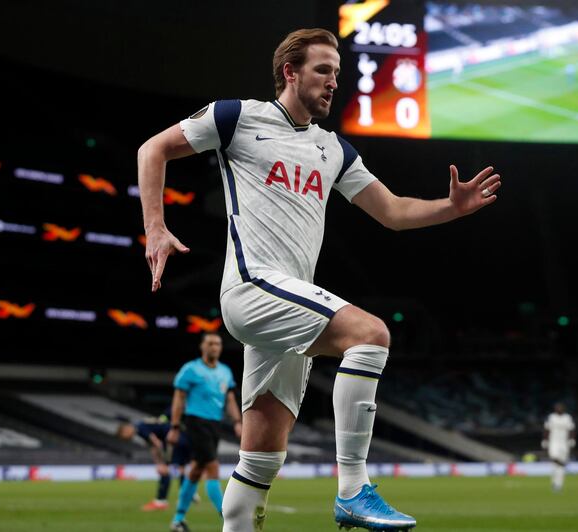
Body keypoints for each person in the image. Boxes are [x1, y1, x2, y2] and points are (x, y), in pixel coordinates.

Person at [137, 28, 501, 531]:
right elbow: (152, 149)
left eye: (337, 72)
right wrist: (154, 228)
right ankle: (353, 489)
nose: (334, 82)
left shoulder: (334, 150)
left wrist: (451, 208)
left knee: (261, 459)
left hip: (287, 308)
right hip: (250, 288)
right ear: (290, 72)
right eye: (323, 70)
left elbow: (393, 211)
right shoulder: (238, 117)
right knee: (370, 334)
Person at [166, 332, 242, 532]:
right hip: (196, 422)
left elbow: (230, 399)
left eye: (217, 344)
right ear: (202, 347)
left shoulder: (225, 371)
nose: (214, 347)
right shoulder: (190, 369)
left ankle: (178, 519)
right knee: (212, 467)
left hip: (215, 424)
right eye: (210, 343)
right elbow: (179, 399)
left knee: (196, 471)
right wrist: (174, 427)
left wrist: (237, 421)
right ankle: (228, 519)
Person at [116, 414, 193, 511]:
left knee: (166, 470)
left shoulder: (140, 429)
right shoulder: (141, 425)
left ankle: (161, 501)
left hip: (173, 439)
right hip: (180, 436)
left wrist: (161, 462)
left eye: (124, 437)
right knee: (179, 468)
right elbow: (153, 445)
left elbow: (156, 444)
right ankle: (187, 495)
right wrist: (158, 462)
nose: (126, 439)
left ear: (125, 430)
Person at [542, 402, 576, 492]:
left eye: (560, 407)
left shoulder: (567, 417)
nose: (559, 409)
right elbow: (546, 429)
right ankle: (564, 465)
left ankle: (558, 485)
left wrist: (572, 440)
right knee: (554, 459)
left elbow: (571, 429)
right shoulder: (551, 417)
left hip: (564, 443)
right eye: (557, 407)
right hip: (553, 442)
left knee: (559, 468)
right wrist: (545, 440)